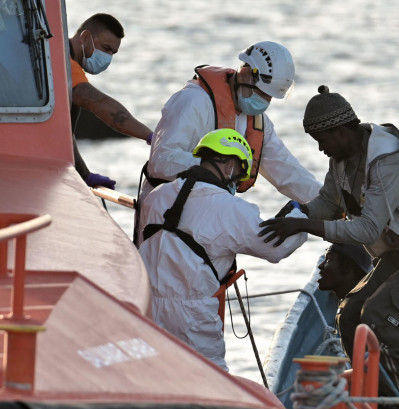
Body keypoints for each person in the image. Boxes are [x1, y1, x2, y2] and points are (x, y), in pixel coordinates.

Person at [259, 85, 399, 409]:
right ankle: (390, 399)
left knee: (382, 317)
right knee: (350, 314)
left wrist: (307, 225)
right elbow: (328, 205)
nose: (319, 147)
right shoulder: (341, 160)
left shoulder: (387, 162)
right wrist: (297, 213)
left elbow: (367, 230)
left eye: (321, 139)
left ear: (341, 132)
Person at [138, 128, 307, 371]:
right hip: (191, 316)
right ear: (229, 166)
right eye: (238, 176)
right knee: (208, 380)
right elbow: (275, 249)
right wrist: (300, 218)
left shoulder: (157, 196)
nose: (236, 184)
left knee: (153, 374)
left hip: (145, 307)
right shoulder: (230, 207)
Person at [140, 41, 320, 241]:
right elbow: (161, 162)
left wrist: (330, 204)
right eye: (262, 94)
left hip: (211, 218)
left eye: (269, 98)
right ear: (245, 74)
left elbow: (287, 171)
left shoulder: (258, 122)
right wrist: (216, 166)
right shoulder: (192, 101)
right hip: (166, 215)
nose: (265, 102)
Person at [69, 13, 153, 189]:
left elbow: (64, 133)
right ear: (85, 37)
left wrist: (85, 175)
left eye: (113, 53)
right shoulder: (63, 63)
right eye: (106, 48)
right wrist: (150, 136)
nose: (108, 58)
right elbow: (98, 103)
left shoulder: (63, 59)